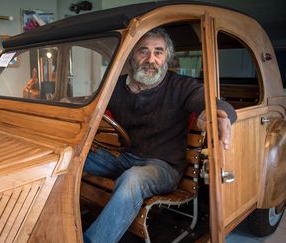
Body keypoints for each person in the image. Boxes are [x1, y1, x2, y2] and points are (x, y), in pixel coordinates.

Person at [83, 28, 237, 243]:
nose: (150, 59)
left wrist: (220, 114)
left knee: (132, 179)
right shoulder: (116, 86)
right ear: (131, 56)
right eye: (143, 51)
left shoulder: (181, 86)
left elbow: (210, 102)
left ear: (166, 58)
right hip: (125, 157)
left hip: (163, 167)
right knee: (74, 159)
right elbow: (88, 105)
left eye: (158, 52)